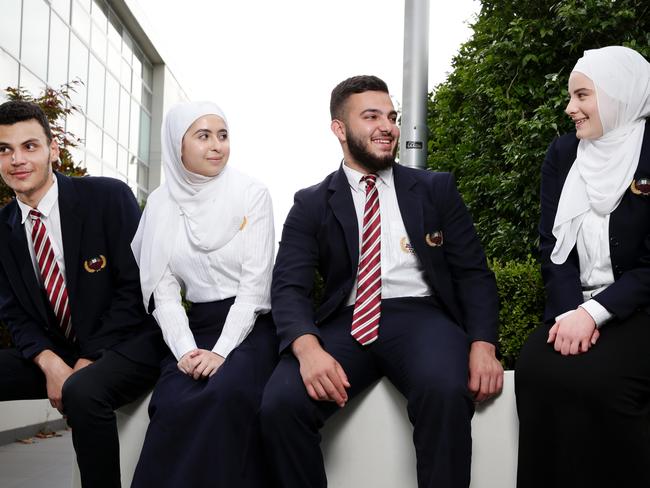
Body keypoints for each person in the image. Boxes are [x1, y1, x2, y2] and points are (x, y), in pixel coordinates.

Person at [260, 75, 503, 488]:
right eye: (371, 116)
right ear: (339, 129)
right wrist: (307, 348)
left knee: (445, 392)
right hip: (346, 322)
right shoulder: (311, 202)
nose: (387, 126)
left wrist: (483, 344)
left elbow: (473, 274)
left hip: (421, 316)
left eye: (390, 116)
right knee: (280, 404)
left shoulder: (435, 189)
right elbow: (288, 286)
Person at [0, 100, 164, 488]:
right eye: (5, 150)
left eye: (30, 146)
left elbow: (135, 288)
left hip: (128, 344)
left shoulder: (107, 198)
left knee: (85, 391)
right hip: (59, 350)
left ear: (52, 149)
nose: (17, 159)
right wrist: (51, 364)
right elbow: (13, 312)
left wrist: (87, 361)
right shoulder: (3, 229)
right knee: (76, 383)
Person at [515, 46, 650, 488]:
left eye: (582, 95)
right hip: (575, 308)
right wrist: (572, 310)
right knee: (535, 366)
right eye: (571, 97)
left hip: (639, 308)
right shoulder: (563, 154)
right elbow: (551, 247)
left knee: (603, 382)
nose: (570, 108)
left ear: (618, 94)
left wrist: (594, 314)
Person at [129, 101, 278, 487]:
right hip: (195, 328)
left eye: (223, 135)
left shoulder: (252, 193)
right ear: (178, 146)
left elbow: (255, 286)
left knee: (225, 393)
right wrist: (185, 351)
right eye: (203, 136)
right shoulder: (161, 204)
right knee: (172, 400)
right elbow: (163, 292)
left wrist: (221, 351)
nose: (217, 145)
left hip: (253, 325)